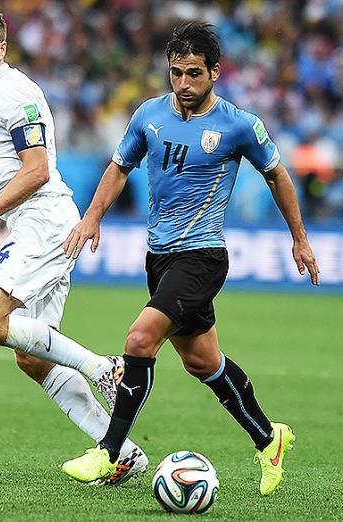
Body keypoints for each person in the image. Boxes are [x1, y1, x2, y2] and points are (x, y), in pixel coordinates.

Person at [60, 22, 320, 496]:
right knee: (203, 362)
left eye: (194, 74)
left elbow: (278, 176)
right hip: (159, 257)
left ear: (216, 72)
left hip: (202, 256)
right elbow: (119, 168)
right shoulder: (148, 115)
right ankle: (269, 437)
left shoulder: (239, 125)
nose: (183, 84)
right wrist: (91, 217)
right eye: (176, 73)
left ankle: (109, 451)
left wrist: (299, 239)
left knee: (139, 340)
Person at [0, 5, 148, 484]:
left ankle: (104, 368)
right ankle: (122, 453)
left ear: (2, 47)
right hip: (29, 224)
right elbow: (3, 177)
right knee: (32, 357)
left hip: (46, 222)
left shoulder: (15, 93)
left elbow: (35, 172)